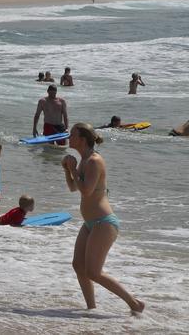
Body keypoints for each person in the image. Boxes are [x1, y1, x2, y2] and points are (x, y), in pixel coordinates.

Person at [62, 123, 145, 314]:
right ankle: (91, 308)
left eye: (72, 134)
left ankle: (134, 303)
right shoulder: (83, 159)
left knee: (93, 271)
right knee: (78, 265)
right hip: (91, 223)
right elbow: (74, 188)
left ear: (82, 140)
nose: (69, 137)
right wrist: (68, 169)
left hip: (104, 223)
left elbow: (86, 190)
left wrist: (73, 168)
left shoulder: (94, 160)